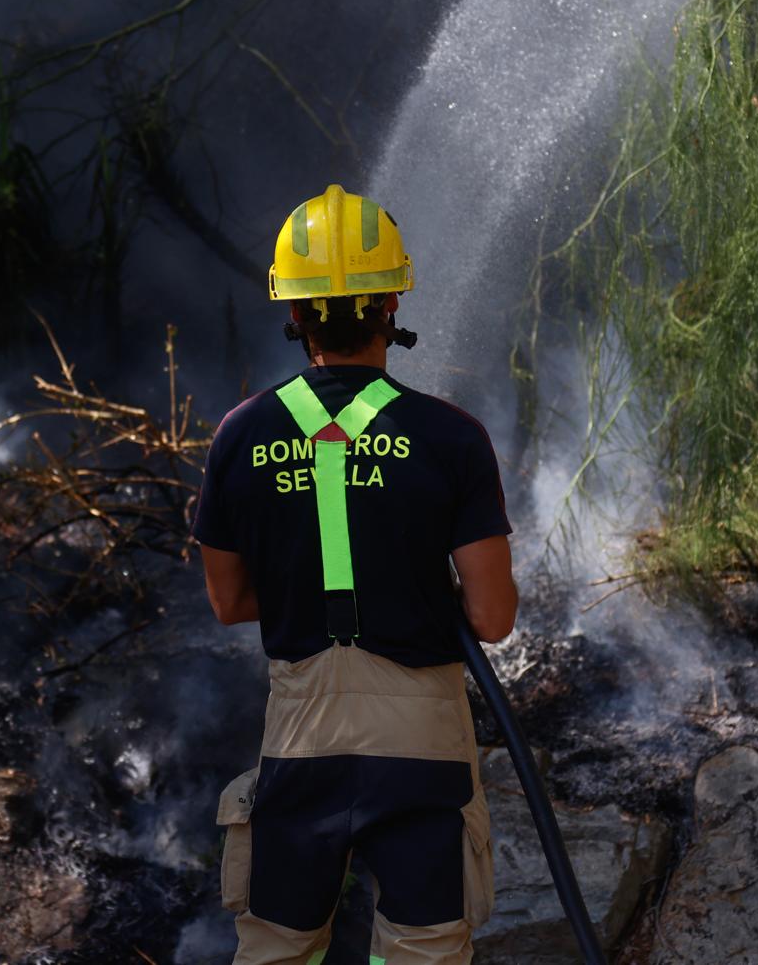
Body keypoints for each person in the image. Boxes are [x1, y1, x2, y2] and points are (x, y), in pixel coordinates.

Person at [193, 183, 518, 965]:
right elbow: (493, 618)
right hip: (422, 745)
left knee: (278, 947)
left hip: (302, 740)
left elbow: (230, 601)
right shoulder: (452, 438)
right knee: (424, 949)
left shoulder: (240, 437)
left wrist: (311, 580)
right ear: (393, 302)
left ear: (295, 312)